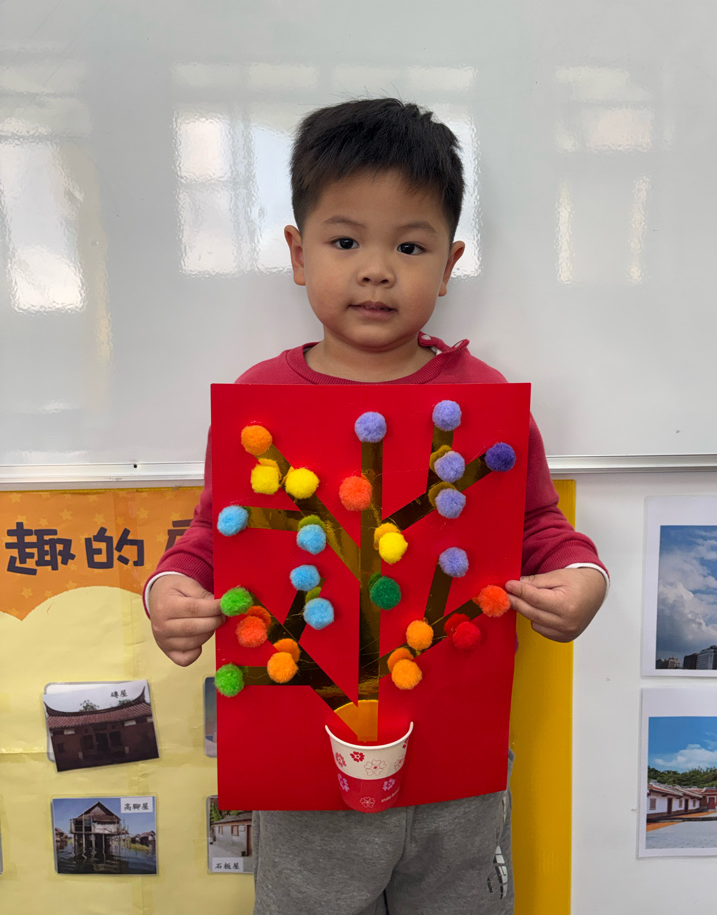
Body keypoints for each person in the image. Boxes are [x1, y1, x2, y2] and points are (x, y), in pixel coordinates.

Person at [144, 98, 608, 914]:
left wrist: (582, 578)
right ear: (298, 253)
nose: (377, 270)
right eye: (346, 241)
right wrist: (170, 589)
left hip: (456, 770)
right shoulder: (262, 405)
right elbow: (218, 533)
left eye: (410, 246)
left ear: (450, 263)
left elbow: (537, 523)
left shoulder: (483, 402)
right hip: (305, 771)